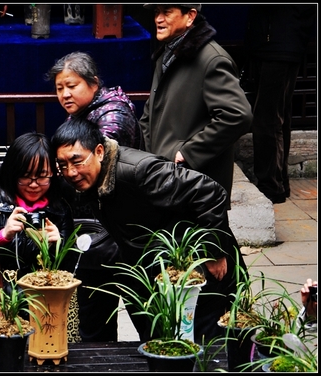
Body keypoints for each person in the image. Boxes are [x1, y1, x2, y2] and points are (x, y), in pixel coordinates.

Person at [51, 117, 249, 343]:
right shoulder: (91, 180)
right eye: (63, 165)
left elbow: (209, 192)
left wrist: (213, 250)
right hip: (160, 273)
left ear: (99, 152)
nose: (71, 172)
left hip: (201, 266)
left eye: (76, 161)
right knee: (160, 344)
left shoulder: (140, 171)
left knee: (208, 345)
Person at [44, 51, 144, 342]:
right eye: (60, 88)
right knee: (93, 325)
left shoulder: (113, 117)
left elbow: (94, 172)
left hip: (122, 234)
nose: (64, 93)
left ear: (93, 83)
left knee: (146, 317)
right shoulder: (86, 114)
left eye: (71, 85)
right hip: (96, 235)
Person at [139, 4, 252, 210]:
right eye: (156, 13)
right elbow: (149, 115)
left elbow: (237, 115)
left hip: (196, 187)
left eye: (166, 12)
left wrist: (188, 153)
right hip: (165, 180)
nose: (158, 19)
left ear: (190, 16)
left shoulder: (211, 60)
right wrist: (151, 159)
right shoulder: (166, 55)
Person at [0, 132, 75, 286]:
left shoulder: (60, 209)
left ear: (53, 175)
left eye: (42, 176)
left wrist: (59, 246)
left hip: (44, 300)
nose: (34, 184)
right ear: (11, 173)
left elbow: (72, 268)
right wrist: (2, 236)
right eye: (25, 176)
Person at [244, 5, 316, 204]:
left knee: (267, 118)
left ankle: (270, 187)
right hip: (272, 41)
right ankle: (278, 184)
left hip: (280, 41)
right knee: (276, 116)